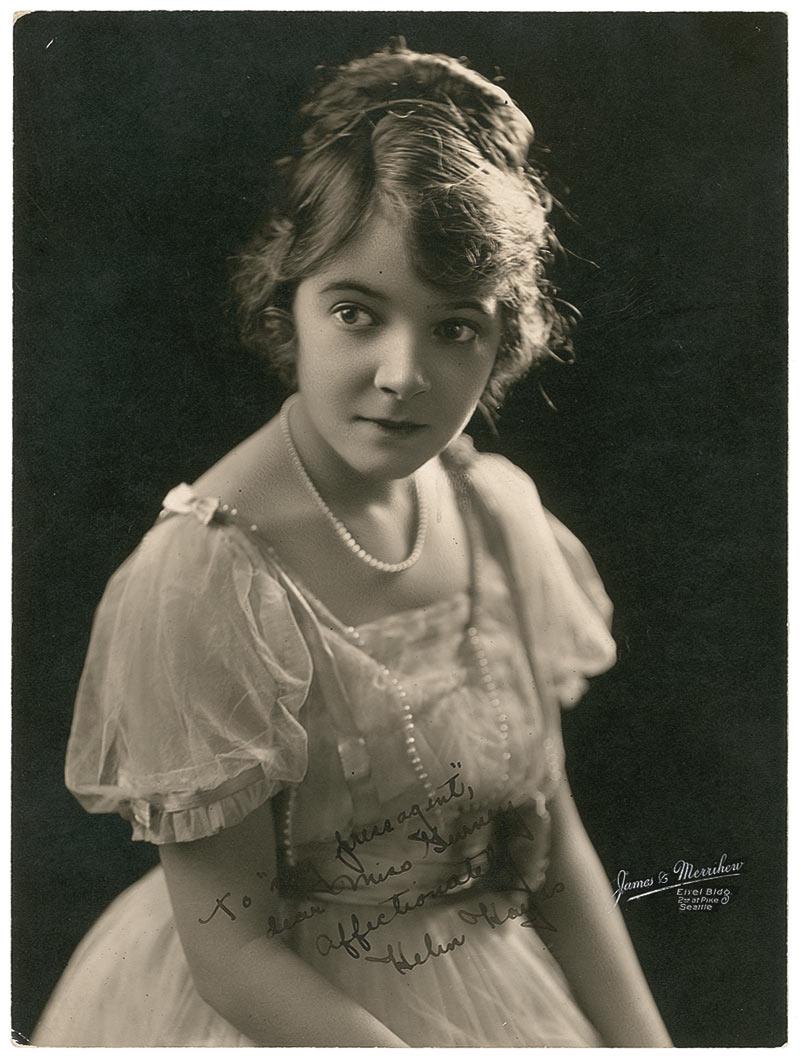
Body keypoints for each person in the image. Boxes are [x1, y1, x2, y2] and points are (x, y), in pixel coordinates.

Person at [33, 38, 672, 1047]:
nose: (401, 374)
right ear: (287, 300)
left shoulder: (491, 510)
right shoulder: (205, 571)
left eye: (454, 327)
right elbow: (231, 953)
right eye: (356, 312)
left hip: (486, 987)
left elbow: (549, 837)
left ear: (502, 336)